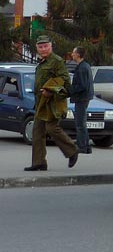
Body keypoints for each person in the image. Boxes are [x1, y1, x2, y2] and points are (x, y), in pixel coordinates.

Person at [25, 36, 79, 171]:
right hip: (41, 103)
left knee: (51, 128)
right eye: (40, 47)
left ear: (51, 46)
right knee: (37, 132)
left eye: (46, 46)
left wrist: (51, 92)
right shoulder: (42, 62)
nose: (43, 49)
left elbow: (66, 84)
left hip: (53, 103)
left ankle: (72, 151)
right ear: (37, 49)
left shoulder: (57, 61)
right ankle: (39, 162)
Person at [68, 46, 94, 156]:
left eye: (73, 53)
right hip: (85, 97)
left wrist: (70, 90)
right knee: (82, 123)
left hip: (81, 98)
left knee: (80, 124)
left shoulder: (82, 68)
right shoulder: (85, 66)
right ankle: (86, 146)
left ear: (78, 55)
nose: (72, 54)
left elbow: (82, 85)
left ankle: (81, 146)